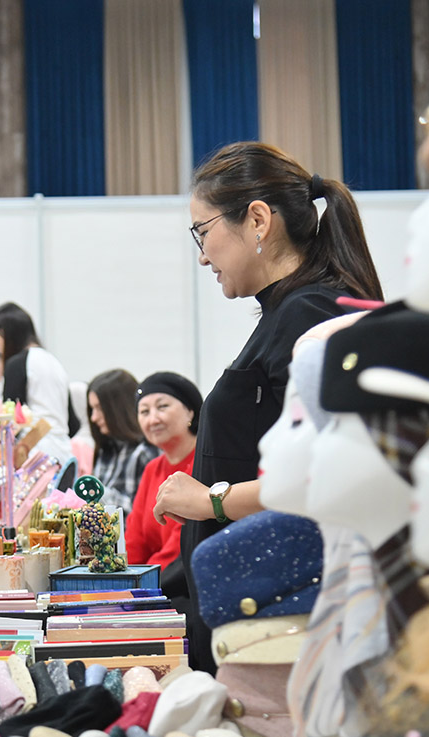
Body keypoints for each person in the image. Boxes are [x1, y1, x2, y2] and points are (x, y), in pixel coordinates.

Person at [154, 141, 384, 672]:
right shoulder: (292, 312)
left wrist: (212, 501)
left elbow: (332, 475)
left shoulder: (311, 314)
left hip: (280, 619)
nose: (202, 255)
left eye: (203, 231)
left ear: (257, 220)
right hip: (258, 607)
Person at [124, 372, 201, 603]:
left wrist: (139, 587)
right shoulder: (152, 469)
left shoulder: (202, 464)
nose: (153, 419)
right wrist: (124, 581)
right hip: (151, 586)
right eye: (144, 411)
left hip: (184, 590)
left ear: (190, 411)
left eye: (162, 407)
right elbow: (135, 540)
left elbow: (180, 547)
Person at [0, 302, 77, 464]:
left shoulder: (17, 364)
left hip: (34, 457)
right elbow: (73, 423)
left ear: (4, 334)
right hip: (65, 455)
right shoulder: (54, 362)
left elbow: (9, 421)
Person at [86, 369, 157, 516]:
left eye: (99, 408)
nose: (94, 417)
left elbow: (142, 515)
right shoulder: (106, 449)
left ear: (118, 409)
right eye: (92, 409)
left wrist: (100, 496)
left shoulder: (144, 452)